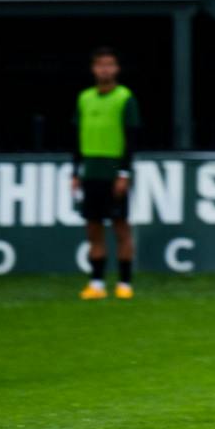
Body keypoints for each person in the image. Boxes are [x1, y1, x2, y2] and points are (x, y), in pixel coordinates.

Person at [73, 47, 139, 301]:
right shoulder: (85, 98)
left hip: (114, 170)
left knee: (121, 227)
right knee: (93, 228)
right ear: (93, 68)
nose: (105, 69)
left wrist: (124, 172)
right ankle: (97, 283)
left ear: (117, 68)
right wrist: (75, 171)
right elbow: (77, 137)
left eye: (109, 64)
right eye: (100, 65)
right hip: (91, 170)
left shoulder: (125, 98)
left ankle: (124, 282)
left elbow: (131, 137)